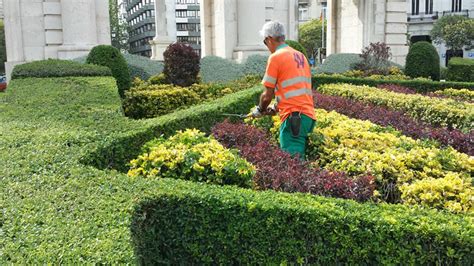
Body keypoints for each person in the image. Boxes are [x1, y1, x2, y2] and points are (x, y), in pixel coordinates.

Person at [251, 21, 316, 159]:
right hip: (306, 116)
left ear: (269, 39)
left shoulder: (276, 57)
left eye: (265, 41)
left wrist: (260, 110)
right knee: (298, 161)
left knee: (293, 165)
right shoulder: (300, 56)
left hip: (294, 118)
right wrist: (276, 107)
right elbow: (296, 89)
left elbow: (267, 95)